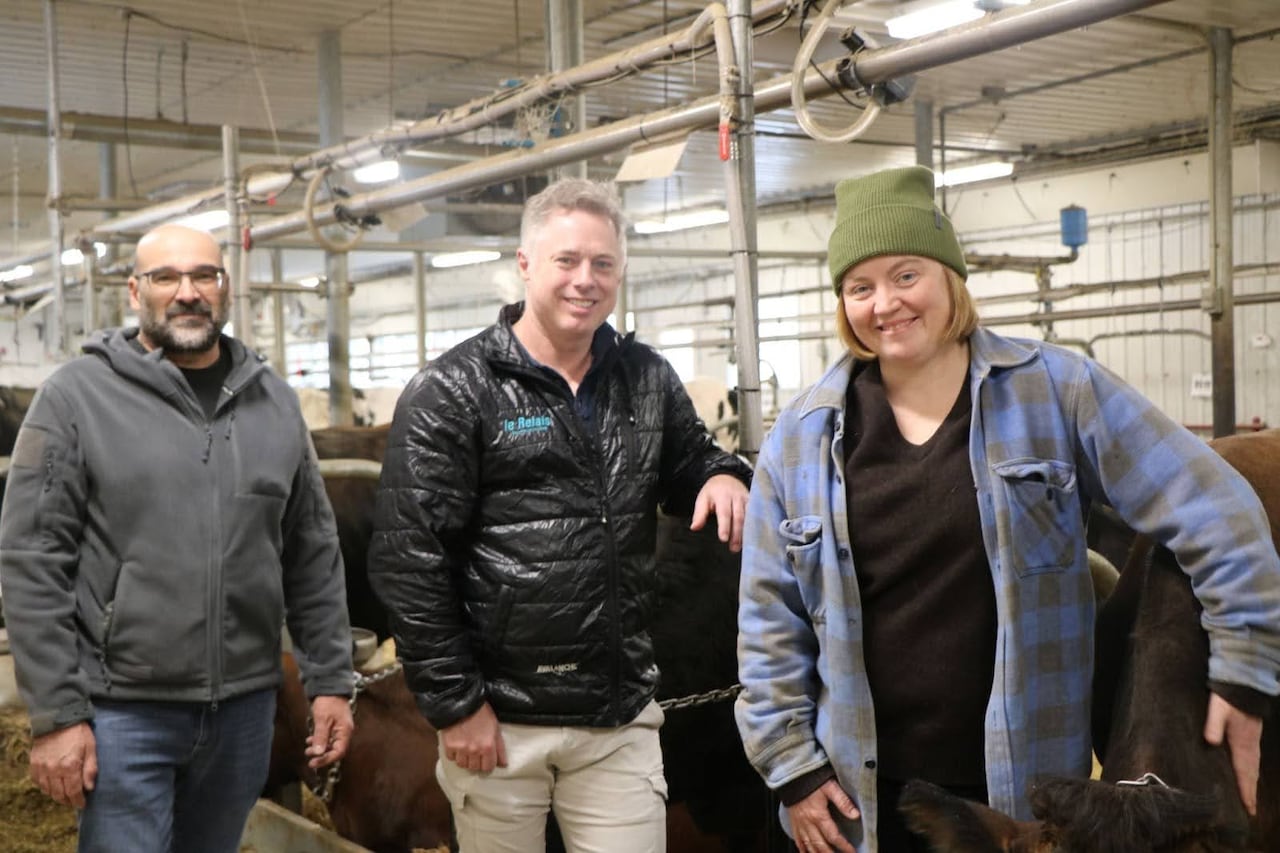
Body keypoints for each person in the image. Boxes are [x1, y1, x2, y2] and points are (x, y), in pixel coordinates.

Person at [734, 166, 1280, 853]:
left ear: (949, 278)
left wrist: (1243, 671)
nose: (885, 303)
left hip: (1020, 810)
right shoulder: (801, 436)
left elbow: (1218, 508)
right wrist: (792, 769)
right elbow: (766, 621)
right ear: (844, 304)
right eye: (860, 286)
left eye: (907, 275)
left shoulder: (1056, 390)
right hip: (861, 806)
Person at [368, 177, 751, 853]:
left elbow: (691, 461)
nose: (585, 280)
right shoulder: (454, 389)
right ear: (524, 265)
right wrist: (456, 705)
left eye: (603, 264)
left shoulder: (646, 377)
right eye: (566, 261)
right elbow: (410, 559)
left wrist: (721, 474)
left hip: (618, 717)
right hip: (500, 722)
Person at [0, 224, 355, 853]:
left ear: (225, 289)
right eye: (166, 277)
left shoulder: (273, 402)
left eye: (203, 276)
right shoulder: (75, 399)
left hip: (244, 712)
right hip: (121, 712)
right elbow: (33, 560)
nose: (186, 292)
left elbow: (311, 551)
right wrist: (56, 716)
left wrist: (330, 680)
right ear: (136, 291)